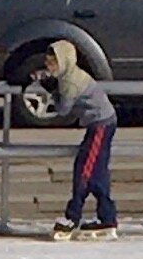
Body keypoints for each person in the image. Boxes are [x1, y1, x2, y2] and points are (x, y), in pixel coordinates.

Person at [42, 36, 120, 240]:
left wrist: (51, 90)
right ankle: (106, 218)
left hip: (101, 125)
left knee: (86, 171)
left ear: (64, 61)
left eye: (53, 63)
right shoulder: (69, 75)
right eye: (48, 63)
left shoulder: (69, 82)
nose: (49, 67)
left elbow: (63, 109)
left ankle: (74, 215)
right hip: (99, 124)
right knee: (95, 171)